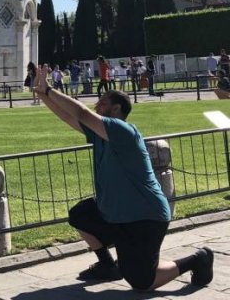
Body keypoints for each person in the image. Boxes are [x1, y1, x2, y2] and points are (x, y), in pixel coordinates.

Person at [32, 65, 214, 290]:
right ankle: (107, 265)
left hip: (144, 217)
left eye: (104, 102)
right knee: (81, 214)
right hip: (117, 214)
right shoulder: (101, 134)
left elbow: (81, 113)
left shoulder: (122, 131)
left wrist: (50, 90)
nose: (98, 105)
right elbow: (68, 117)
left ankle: (199, 259)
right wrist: (43, 95)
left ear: (116, 109)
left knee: (141, 282)